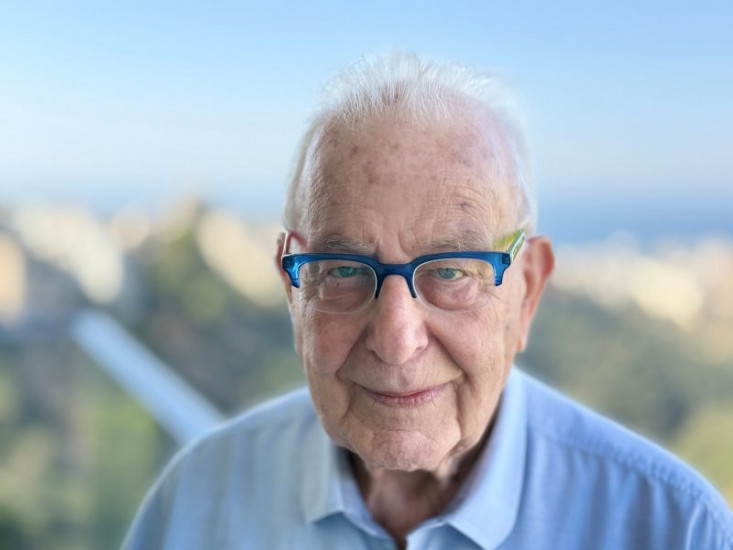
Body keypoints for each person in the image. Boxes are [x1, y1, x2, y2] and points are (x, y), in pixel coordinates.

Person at [124, 52, 733, 549]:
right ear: (293, 289)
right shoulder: (197, 502)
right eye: (343, 270)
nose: (396, 340)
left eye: (451, 272)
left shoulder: (674, 529)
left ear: (527, 291)